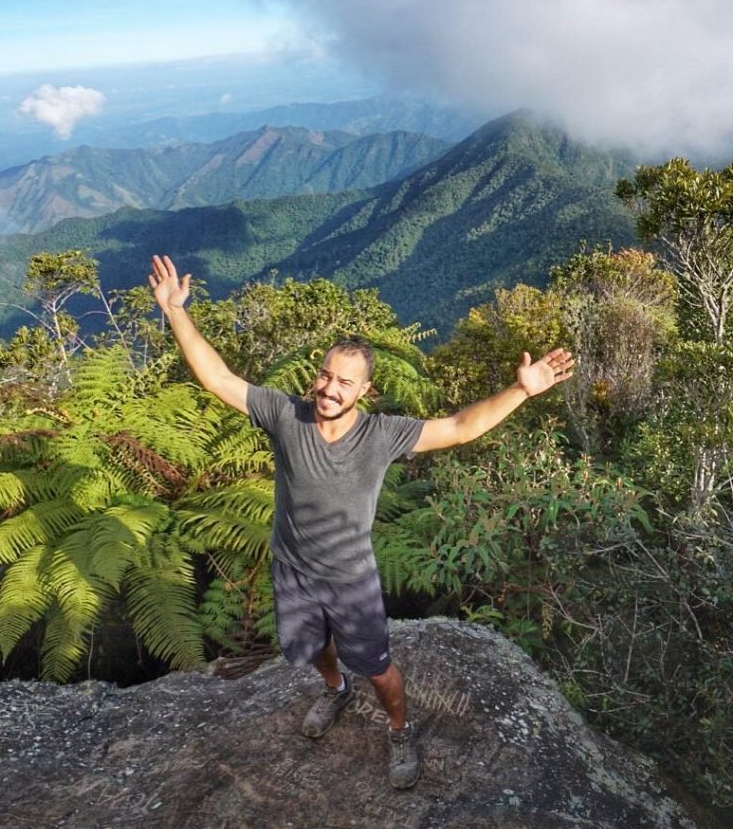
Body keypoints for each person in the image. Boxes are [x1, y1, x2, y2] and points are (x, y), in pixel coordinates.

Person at [148, 254, 574, 789]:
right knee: (312, 650)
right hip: (293, 570)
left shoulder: (381, 435)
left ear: (364, 392)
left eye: (344, 383)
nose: (329, 388)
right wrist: (175, 312)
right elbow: (218, 378)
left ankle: (399, 728)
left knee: (376, 665)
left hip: (351, 579)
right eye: (325, 375)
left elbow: (461, 427)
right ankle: (334, 690)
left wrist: (521, 390)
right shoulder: (286, 415)